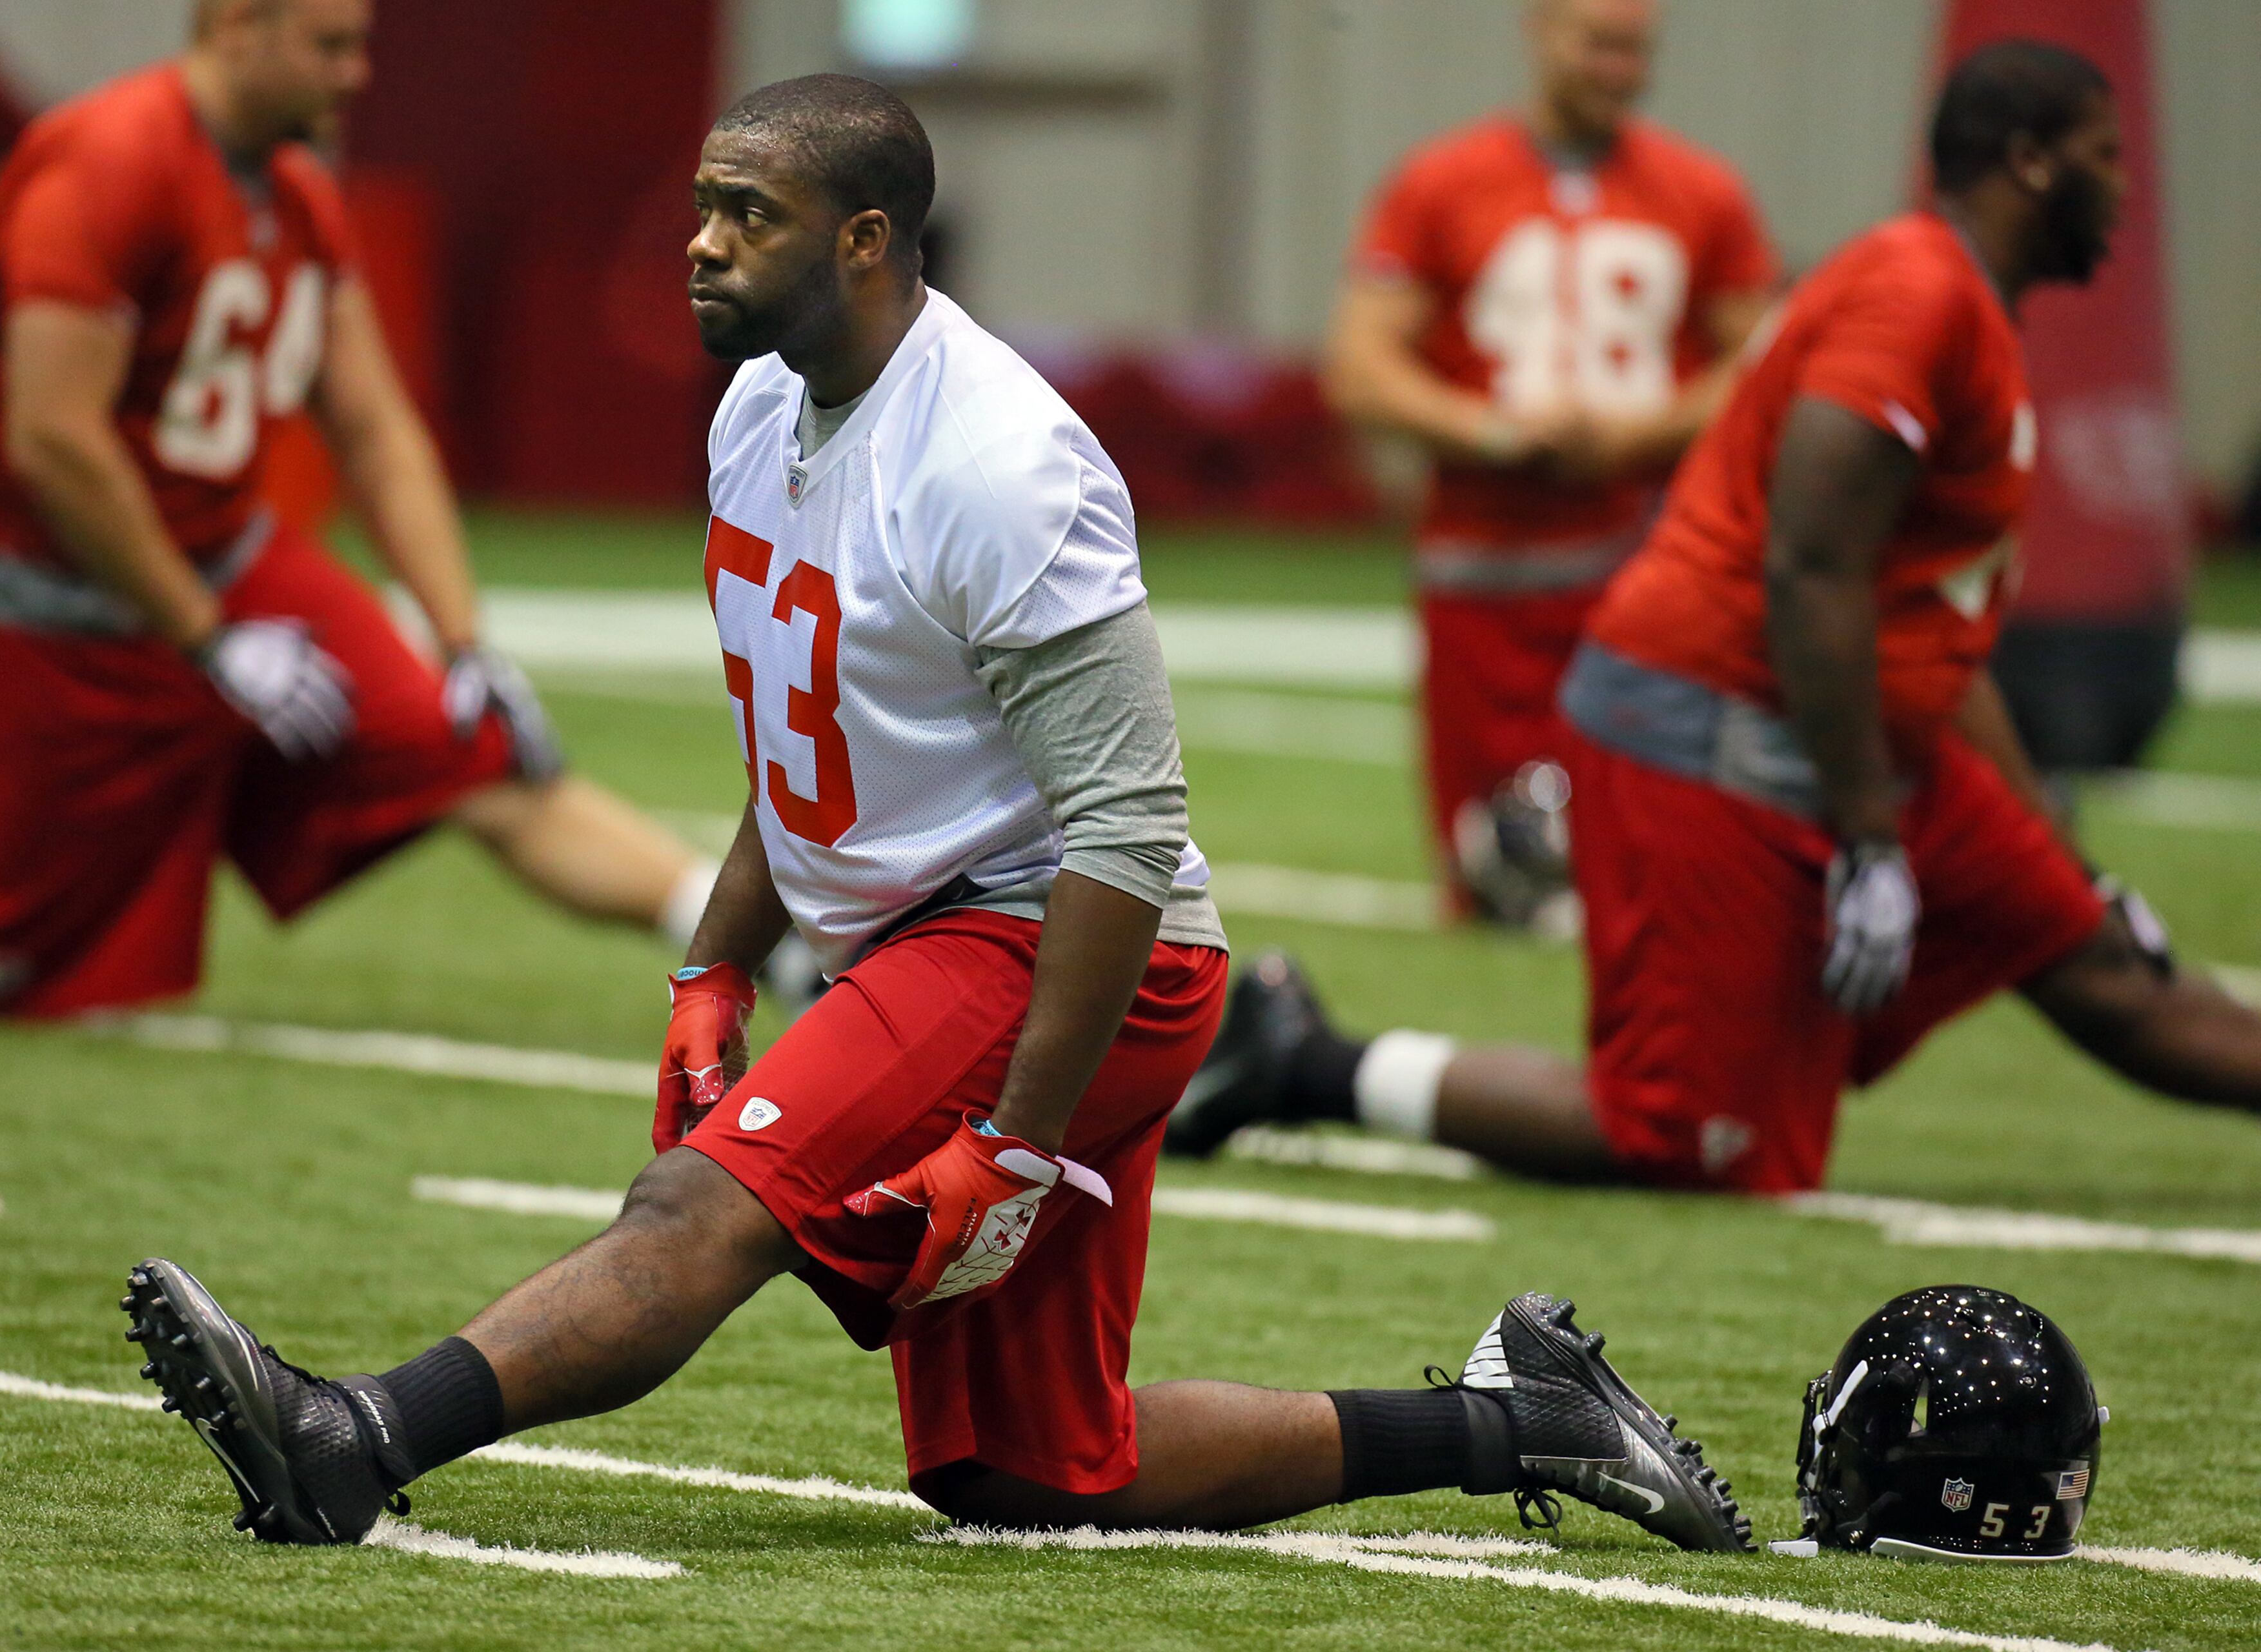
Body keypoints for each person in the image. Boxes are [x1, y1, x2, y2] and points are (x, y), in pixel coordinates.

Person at [117, 76, 1750, 1555]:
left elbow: (1126, 828)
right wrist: (715, 961)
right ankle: (1518, 1418)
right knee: (1034, 1470)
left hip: (1065, 943)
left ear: (866, 240)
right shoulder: (761, 405)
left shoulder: (998, 462)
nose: (699, 244)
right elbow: (807, 731)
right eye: (702, 205)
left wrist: (1016, 1134)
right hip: (956, 928)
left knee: (700, 1207)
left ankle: (357, 1435)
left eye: (746, 214)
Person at [1172, 40, 2261, 1193]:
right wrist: (1872, 840)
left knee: (2103, 963)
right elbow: (1811, 564)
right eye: (2106, 155)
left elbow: (1925, 625)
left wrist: (2051, 847)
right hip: (1725, 728)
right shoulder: (1916, 295)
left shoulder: (1948, 298)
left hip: (1859, 727)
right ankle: (1310, 1063)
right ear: (2032, 163)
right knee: (1690, 1133)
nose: (2128, 187)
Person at [0, 0, 722, 1016]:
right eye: (330, 46)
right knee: (6, 969)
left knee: (472, 745)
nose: (356, 74)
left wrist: (463, 641)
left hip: (220, 563)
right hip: (46, 595)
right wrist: (207, 637)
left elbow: (374, 429)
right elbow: (53, 441)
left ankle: (751, 937)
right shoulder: (110, 161)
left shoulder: (295, 190)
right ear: (237, 28)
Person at [1323, 0, 1776, 930]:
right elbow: (1358, 367)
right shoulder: (1442, 181)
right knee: (1488, 886)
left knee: (1645, 880)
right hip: (1483, 569)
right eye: (1598, 44)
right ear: (1539, 31)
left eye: (1635, 51)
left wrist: (1639, 433)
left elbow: (1764, 365)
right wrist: (1495, 431)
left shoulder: (1704, 190)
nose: (1618, 70)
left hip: (1641, 570)